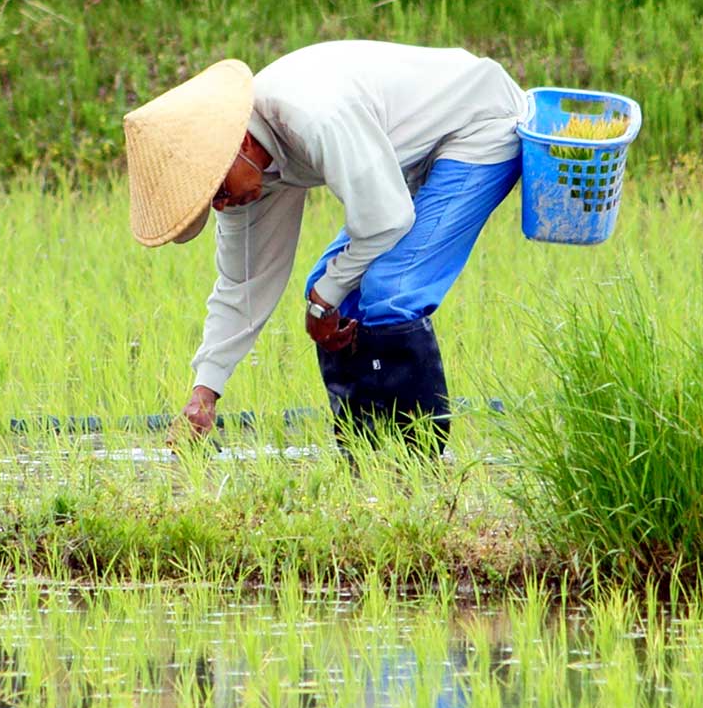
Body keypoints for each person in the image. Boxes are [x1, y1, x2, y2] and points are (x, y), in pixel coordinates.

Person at [122, 40, 528, 454]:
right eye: (211, 202)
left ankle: (417, 463)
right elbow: (242, 282)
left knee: (391, 290)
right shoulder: (242, 171)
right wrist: (204, 393)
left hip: (481, 124)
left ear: (240, 145)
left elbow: (387, 219)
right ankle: (365, 456)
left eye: (219, 191)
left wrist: (322, 302)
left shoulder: (309, 115)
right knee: (334, 286)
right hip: (411, 152)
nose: (222, 205)